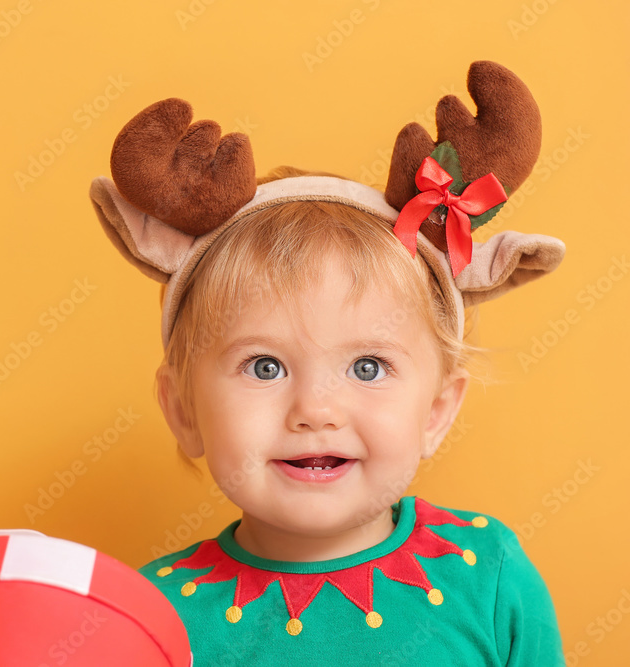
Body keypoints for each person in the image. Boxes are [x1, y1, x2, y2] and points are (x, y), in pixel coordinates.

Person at [89, 61, 565, 665]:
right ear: (183, 410)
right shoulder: (148, 622)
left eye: (368, 367)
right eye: (264, 367)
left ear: (437, 412)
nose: (315, 410)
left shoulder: (490, 577)